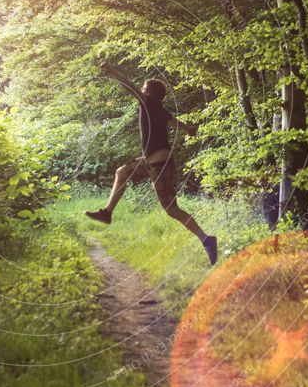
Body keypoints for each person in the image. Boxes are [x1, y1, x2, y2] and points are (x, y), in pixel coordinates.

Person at [85, 64, 218, 266]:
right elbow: (181, 126)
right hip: (150, 162)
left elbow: (129, 86)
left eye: (144, 88)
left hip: (160, 166)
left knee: (172, 210)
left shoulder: (148, 104)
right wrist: (190, 129)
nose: (141, 90)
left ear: (148, 92)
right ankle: (107, 213)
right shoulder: (162, 111)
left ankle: (206, 239)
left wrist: (112, 71)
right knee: (122, 172)